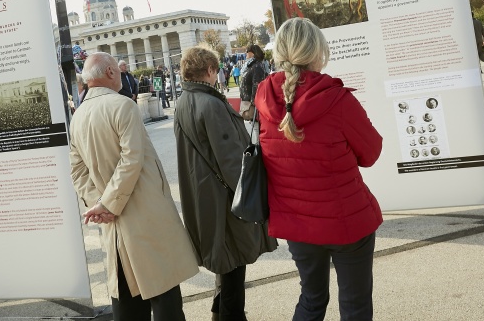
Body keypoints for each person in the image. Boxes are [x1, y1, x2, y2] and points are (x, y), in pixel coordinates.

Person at [254, 18, 383, 320]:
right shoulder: (337, 100)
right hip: (347, 221)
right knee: (355, 305)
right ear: (318, 51)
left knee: (311, 300)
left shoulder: (264, 96)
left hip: (296, 223)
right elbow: (371, 153)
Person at [70, 53, 198, 320]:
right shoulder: (123, 106)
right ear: (109, 73)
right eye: (116, 69)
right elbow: (132, 159)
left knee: (128, 300)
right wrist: (107, 204)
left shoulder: (78, 116)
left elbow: (78, 172)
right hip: (143, 217)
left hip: (113, 225)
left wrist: (100, 204)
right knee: (164, 298)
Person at [174, 46, 277, 321]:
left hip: (206, 194)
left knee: (226, 260)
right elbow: (232, 161)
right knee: (234, 264)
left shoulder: (185, 100)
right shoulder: (210, 104)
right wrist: (252, 198)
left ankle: (219, 314)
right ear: (209, 70)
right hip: (227, 198)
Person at [239, 45, 269, 140]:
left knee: (256, 127)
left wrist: (254, 102)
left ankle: (258, 147)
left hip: (253, 103)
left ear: (252, 52)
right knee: (254, 126)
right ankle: (257, 145)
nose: (246, 54)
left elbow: (257, 85)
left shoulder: (257, 66)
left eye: (247, 51)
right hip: (248, 100)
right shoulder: (251, 65)